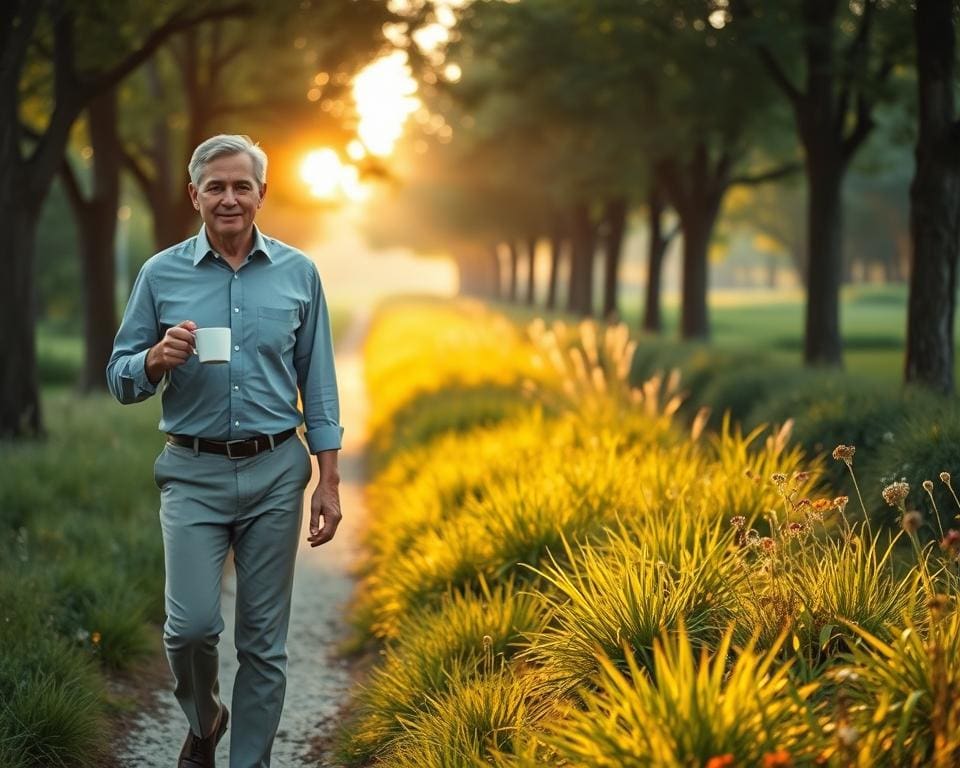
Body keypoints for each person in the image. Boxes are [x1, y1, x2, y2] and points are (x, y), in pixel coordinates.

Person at [107, 134, 343, 768]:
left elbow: (318, 384)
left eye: (243, 186)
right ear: (195, 195)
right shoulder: (161, 273)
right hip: (191, 471)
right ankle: (206, 718)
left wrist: (329, 481)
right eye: (217, 186)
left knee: (263, 644)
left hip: (274, 472)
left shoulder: (299, 273)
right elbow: (119, 374)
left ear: (262, 194)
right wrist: (154, 359)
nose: (230, 198)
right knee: (189, 628)